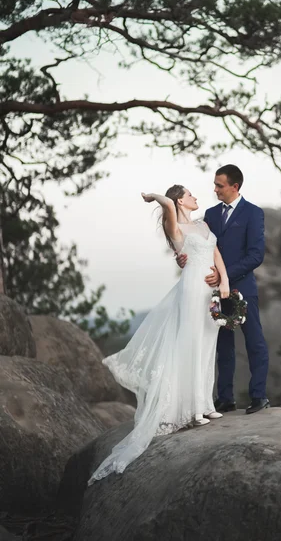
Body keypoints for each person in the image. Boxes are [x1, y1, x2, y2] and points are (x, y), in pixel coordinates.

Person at [88, 185, 229, 485]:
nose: (196, 197)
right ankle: (191, 410)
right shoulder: (174, 225)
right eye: (189, 194)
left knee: (207, 344)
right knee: (190, 343)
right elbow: (168, 206)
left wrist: (225, 283)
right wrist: (155, 197)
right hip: (191, 288)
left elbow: (216, 253)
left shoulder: (202, 224)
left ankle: (206, 404)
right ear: (179, 200)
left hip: (211, 291)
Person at [177, 165, 269, 414]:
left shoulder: (253, 213)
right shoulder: (210, 214)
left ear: (235, 187)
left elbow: (256, 255)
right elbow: (197, 244)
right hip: (214, 290)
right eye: (215, 184)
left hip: (242, 288)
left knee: (254, 342)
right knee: (222, 345)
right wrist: (182, 257)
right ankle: (225, 398)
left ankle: (259, 396)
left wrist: (225, 273)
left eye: (219, 185)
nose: (214, 189)